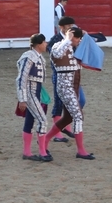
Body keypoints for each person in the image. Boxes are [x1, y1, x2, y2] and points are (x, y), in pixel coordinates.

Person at [41, 26, 94, 160]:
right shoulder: (57, 45)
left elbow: (90, 48)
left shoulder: (74, 47)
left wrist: (84, 36)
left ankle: (45, 139)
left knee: (68, 118)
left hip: (74, 86)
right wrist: (67, 39)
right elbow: (57, 54)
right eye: (78, 38)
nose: (79, 41)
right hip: (65, 87)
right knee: (78, 116)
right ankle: (81, 151)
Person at [16, 33, 50, 161]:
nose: (46, 44)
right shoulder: (29, 56)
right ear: (39, 44)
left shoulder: (38, 57)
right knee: (43, 121)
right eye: (44, 42)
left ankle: (27, 152)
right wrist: (22, 99)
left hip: (36, 91)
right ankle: (42, 152)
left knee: (30, 121)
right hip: (30, 93)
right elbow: (21, 78)